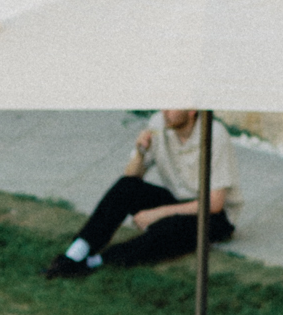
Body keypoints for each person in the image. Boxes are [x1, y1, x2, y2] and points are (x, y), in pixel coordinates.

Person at [45, 108, 235, 275]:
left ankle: (95, 262)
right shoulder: (159, 124)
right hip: (176, 199)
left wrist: (157, 213)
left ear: (192, 110)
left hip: (214, 216)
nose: (164, 111)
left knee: (167, 230)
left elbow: (215, 203)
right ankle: (73, 255)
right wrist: (140, 152)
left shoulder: (214, 135)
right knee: (126, 188)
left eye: (172, 106)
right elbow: (131, 176)